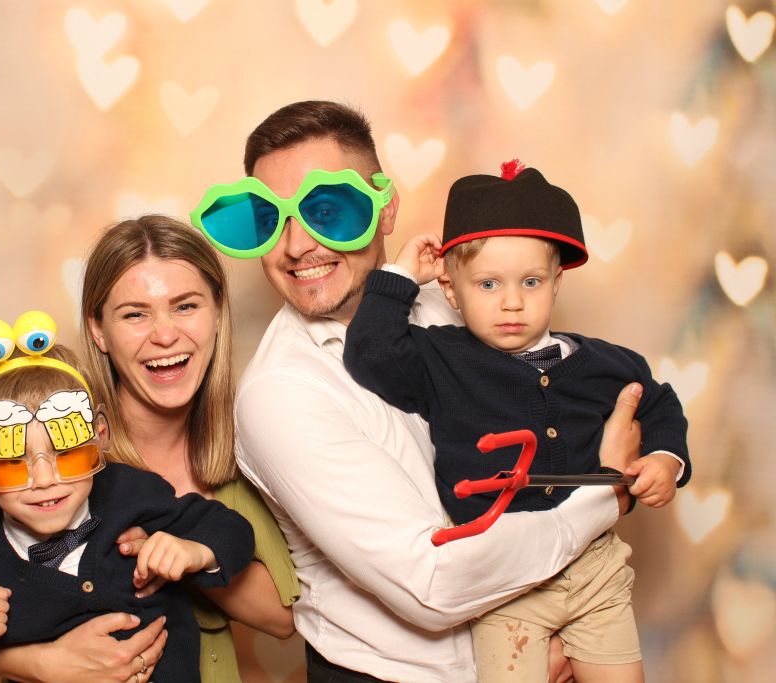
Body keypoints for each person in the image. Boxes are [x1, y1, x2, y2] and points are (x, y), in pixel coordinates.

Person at [189, 100, 644, 682]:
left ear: (385, 209)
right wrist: (608, 493)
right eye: (269, 221)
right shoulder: (280, 396)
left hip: (543, 644)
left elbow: (566, 411)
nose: (297, 246)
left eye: (328, 210)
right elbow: (434, 584)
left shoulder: (464, 303)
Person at [343, 161, 691, 682]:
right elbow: (369, 352)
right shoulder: (440, 359)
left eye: (531, 282)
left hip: (595, 568)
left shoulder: (603, 362)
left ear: (556, 283)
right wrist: (400, 278)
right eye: (488, 284)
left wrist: (666, 457)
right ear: (451, 291)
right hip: (503, 584)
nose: (511, 303)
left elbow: (659, 403)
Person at [0, 216, 299, 682]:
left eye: (185, 306)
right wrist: (43, 663)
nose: (164, 335)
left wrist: (173, 550)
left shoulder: (252, 439)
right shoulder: (31, 436)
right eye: (135, 314)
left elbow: (284, 618)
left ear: (217, 313)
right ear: (98, 330)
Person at [0, 313, 255, 682]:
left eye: (67, 453)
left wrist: (197, 551)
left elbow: (232, 528)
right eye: (12, 463)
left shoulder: (129, 493)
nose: (45, 480)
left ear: (100, 437)